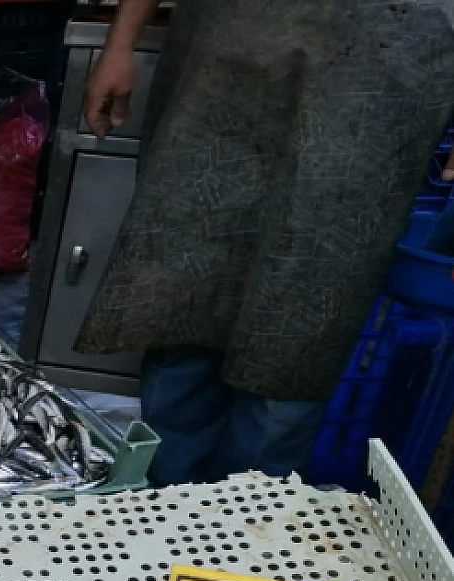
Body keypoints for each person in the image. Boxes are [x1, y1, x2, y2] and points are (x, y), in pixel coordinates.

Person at [74, 0, 454, 485]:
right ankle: (155, 510)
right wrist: (120, 42)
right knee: (180, 301)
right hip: (224, 66)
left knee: (300, 328)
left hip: (381, 80)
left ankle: (245, 533)